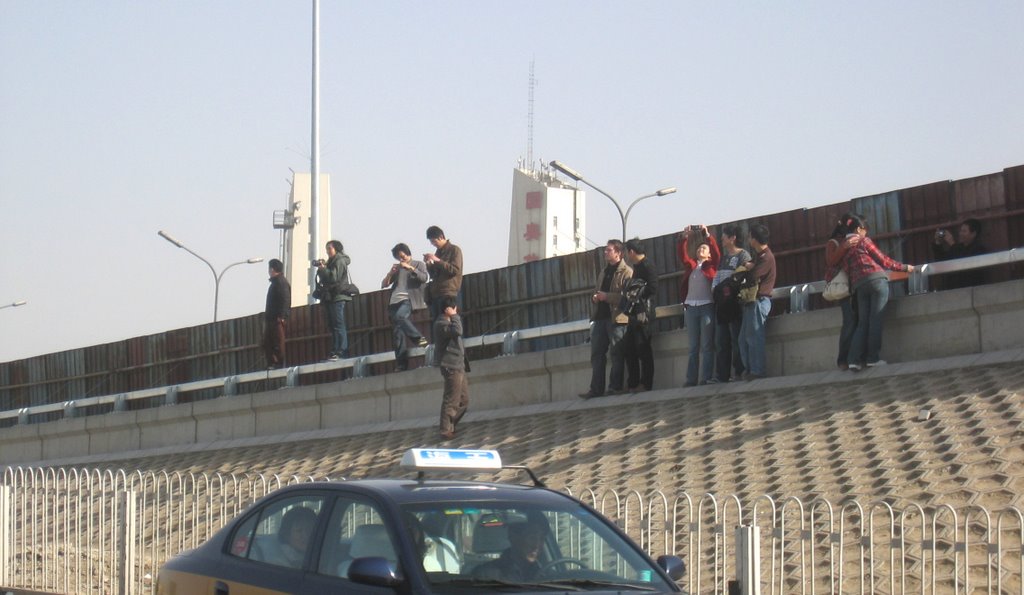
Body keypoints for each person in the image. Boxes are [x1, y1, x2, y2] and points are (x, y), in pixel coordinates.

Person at [841, 215, 914, 371]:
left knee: (862, 323)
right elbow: (883, 260)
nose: (866, 234)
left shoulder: (845, 248)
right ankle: (873, 358)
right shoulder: (863, 241)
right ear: (859, 229)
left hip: (859, 286)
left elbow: (846, 270)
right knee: (876, 320)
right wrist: (904, 267)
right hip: (876, 281)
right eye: (865, 231)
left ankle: (853, 360)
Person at [578, 240, 633, 399]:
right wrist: (595, 298)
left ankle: (615, 387)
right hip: (600, 318)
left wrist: (606, 297)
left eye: (609, 250)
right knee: (597, 354)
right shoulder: (603, 271)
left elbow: (626, 298)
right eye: (605, 250)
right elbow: (596, 291)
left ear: (618, 253)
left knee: (616, 353)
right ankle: (596, 389)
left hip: (616, 318)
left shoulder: (626, 272)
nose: (605, 253)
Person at [677, 225, 720, 386]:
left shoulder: (711, 266)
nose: (700, 250)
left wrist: (707, 236)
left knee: (707, 345)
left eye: (704, 248)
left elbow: (717, 254)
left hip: (707, 306)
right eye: (699, 248)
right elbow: (683, 255)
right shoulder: (692, 266)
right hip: (691, 308)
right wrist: (684, 237)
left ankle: (706, 377)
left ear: (708, 254)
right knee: (693, 347)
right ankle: (691, 379)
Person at [711, 225, 751, 382]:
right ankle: (722, 374)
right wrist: (714, 288)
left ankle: (739, 371)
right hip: (721, 304)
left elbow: (743, 275)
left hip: (734, 303)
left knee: (736, 339)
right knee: (721, 341)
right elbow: (718, 275)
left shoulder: (743, 255)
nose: (722, 239)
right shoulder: (724, 257)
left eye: (724, 236)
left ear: (732, 237)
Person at [381, 243, 429, 371]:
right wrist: (390, 273)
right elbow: (384, 284)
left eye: (402, 256)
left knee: (400, 316)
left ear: (407, 253)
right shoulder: (397, 268)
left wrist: (410, 267)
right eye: (398, 257)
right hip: (393, 302)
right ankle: (401, 364)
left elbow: (424, 278)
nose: (400, 259)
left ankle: (418, 338)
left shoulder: (418, 264)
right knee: (398, 334)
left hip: (408, 299)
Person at [738, 224, 776, 380]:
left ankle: (757, 370)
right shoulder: (759, 256)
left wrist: (748, 268)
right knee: (743, 338)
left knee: (755, 337)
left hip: (759, 301)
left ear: (754, 239)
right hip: (751, 302)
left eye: (750, 237)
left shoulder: (766, 257)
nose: (748, 239)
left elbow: (753, 276)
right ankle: (749, 368)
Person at [825, 215, 861, 371]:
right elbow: (831, 261)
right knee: (849, 322)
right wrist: (844, 246)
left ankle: (855, 356)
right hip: (845, 287)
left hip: (857, 283)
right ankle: (843, 359)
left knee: (858, 320)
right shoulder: (833, 243)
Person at [622, 238, 658, 392]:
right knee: (630, 349)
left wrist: (639, 290)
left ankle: (646, 384)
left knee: (643, 349)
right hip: (634, 313)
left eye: (626, 252)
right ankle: (633, 383)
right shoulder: (637, 267)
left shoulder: (647, 266)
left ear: (631, 252)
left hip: (644, 314)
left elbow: (653, 288)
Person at [434, 296, 468, 440]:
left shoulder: (450, 322)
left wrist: (453, 317)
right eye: (454, 309)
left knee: (464, 400)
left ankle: (451, 424)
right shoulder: (441, 323)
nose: (457, 311)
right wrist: (454, 316)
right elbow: (458, 331)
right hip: (450, 366)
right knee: (451, 399)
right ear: (449, 309)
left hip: (459, 365)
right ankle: (445, 430)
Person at [472, 519, 548, 582]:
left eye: (542, 539)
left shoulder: (550, 576)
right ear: (513, 538)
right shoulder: (487, 575)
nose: (537, 545)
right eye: (532, 538)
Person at [315, 240, 353, 361]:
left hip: (338, 296)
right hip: (331, 297)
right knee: (332, 325)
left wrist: (322, 269)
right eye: (326, 249)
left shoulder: (340, 260)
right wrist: (324, 268)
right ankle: (335, 350)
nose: (327, 251)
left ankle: (342, 351)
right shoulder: (332, 262)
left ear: (336, 249)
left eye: (329, 248)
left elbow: (333, 277)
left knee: (338, 324)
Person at [424, 226, 464, 340]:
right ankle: (442, 352)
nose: (433, 244)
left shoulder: (455, 250)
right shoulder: (438, 253)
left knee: (451, 325)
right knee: (439, 327)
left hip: (448, 292)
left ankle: (457, 352)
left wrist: (437, 261)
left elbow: (454, 270)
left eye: (434, 241)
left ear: (441, 237)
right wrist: (429, 264)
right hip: (436, 294)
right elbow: (433, 275)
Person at [932, 217, 990, 289]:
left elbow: (964, 261)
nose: (960, 234)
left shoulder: (979, 249)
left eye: (964, 231)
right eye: (960, 231)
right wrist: (938, 243)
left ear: (973, 234)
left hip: (972, 290)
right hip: (953, 291)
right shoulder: (957, 247)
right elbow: (941, 261)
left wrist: (952, 243)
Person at [263, 258, 291, 369]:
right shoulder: (276, 283)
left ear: (272, 269)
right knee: (268, 341)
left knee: (278, 342)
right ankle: (273, 362)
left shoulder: (280, 283)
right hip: (271, 318)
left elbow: (285, 300)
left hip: (277, 318)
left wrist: (282, 316)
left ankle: (278, 363)